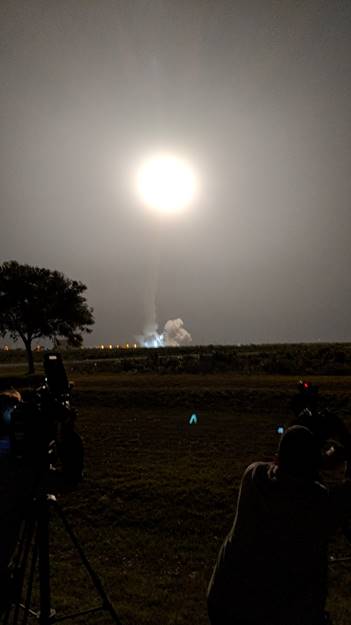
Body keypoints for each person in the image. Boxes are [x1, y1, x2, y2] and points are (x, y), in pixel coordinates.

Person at [207, 425, 351, 625]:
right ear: (313, 468)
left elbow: (292, 469)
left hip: (224, 601)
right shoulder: (319, 503)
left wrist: (319, 459)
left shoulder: (253, 476)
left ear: (277, 459)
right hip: (274, 613)